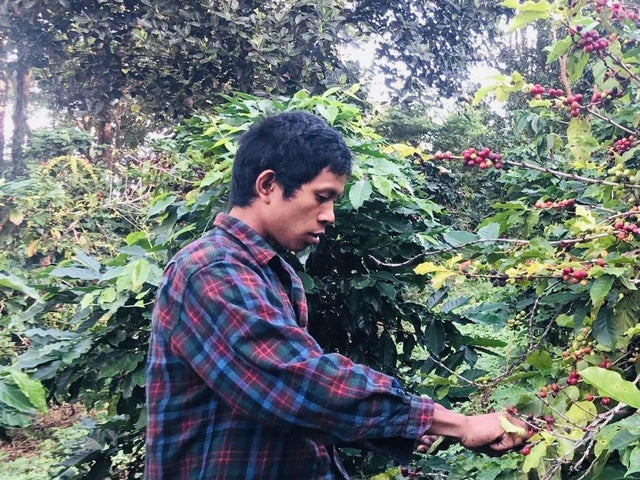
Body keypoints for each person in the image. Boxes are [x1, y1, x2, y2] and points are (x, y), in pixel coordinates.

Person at [145, 111, 528, 480]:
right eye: (322, 196)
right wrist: (452, 423)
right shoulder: (210, 270)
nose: (329, 215)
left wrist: (409, 426)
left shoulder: (269, 271)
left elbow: (301, 407)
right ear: (267, 186)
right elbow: (295, 383)